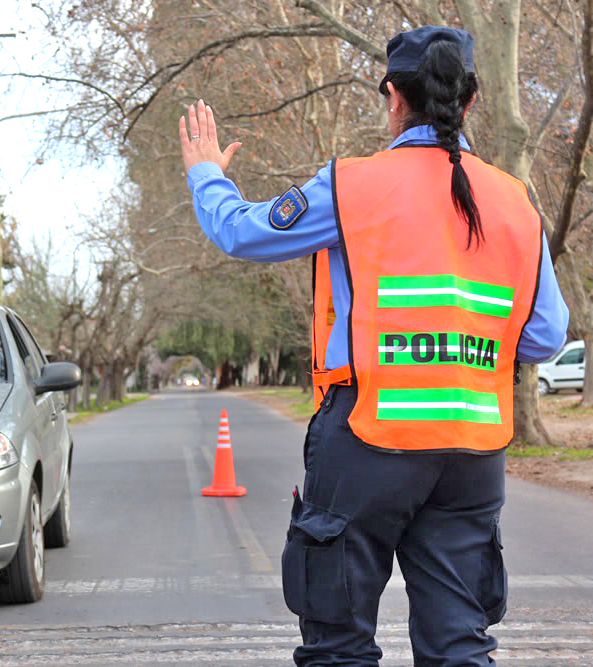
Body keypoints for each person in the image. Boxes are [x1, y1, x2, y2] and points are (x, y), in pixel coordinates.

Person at [179, 26, 569, 667]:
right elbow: (545, 335)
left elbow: (241, 232)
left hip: (366, 437)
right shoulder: (516, 202)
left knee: (338, 642)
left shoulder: (353, 185)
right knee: (458, 645)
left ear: (393, 96)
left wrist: (206, 176)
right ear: (470, 101)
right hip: (472, 450)